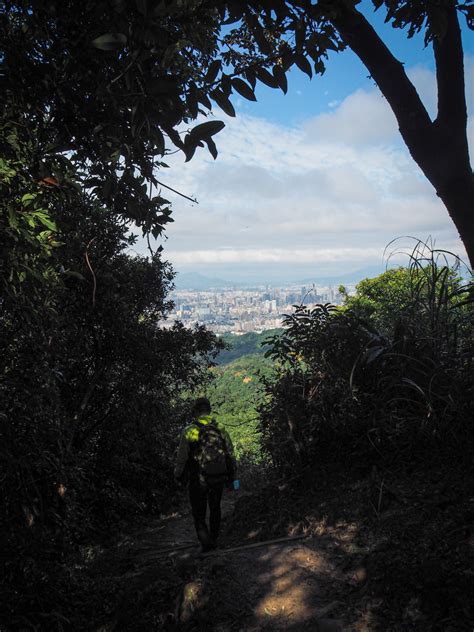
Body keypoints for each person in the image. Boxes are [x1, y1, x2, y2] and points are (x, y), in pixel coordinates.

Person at [174, 397, 236, 552]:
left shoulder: (189, 430)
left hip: (198, 478)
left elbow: (182, 457)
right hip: (218, 476)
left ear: (195, 411)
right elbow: (230, 453)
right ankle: (214, 538)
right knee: (215, 508)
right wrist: (232, 475)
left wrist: (178, 474)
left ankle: (207, 544)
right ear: (209, 410)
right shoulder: (220, 427)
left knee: (199, 513)